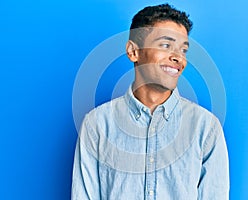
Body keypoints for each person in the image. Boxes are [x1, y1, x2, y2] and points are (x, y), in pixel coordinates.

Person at [71, 3, 229, 200]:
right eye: (165, 45)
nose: (178, 57)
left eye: (183, 50)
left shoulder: (206, 128)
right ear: (133, 52)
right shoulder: (97, 124)